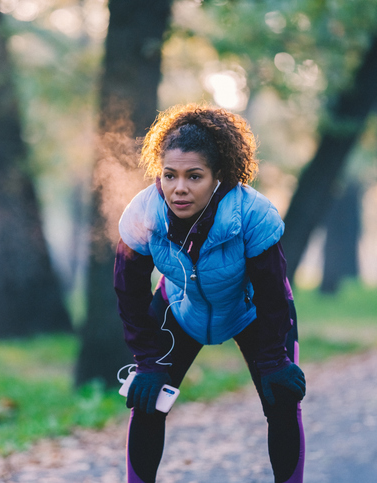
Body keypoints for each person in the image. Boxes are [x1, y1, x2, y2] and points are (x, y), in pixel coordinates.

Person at [114, 104, 306, 483]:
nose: (179, 188)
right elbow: (129, 292)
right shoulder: (143, 214)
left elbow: (271, 292)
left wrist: (273, 360)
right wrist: (148, 359)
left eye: (194, 176)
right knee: (147, 401)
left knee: (282, 398)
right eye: (169, 175)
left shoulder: (252, 214)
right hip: (180, 311)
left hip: (251, 312)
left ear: (220, 177)